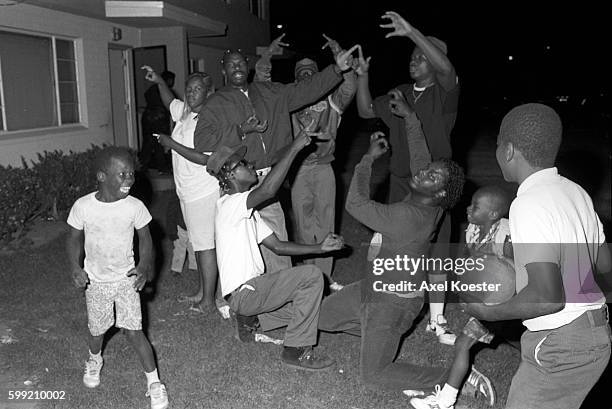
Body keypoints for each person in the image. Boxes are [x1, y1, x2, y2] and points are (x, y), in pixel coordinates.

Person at [463, 103, 612, 409]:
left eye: (496, 145)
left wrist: (487, 311)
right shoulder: (575, 192)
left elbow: (547, 297)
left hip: (561, 342)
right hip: (596, 332)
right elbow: (604, 263)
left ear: (508, 151)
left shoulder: (528, 203)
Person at [318, 101, 468, 392]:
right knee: (321, 315)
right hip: (372, 288)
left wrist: (367, 159)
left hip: (391, 304)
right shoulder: (430, 204)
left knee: (373, 375)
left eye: (432, 176)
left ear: (438, 193)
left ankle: (453, 377)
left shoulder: (408, 217)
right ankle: (373, 335)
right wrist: (411, 118)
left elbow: (356, 204)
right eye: (428, 170)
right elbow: (422, 160)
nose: (424, 173)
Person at [193, 44, 357, 277]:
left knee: (278, 240)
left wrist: (335, 70)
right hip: (236, 185)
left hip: (268, 177)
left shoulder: (271, 92)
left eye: (240, 62)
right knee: (238, 247)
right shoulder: (216, 103)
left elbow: (306, 90)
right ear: (223, 71)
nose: (237, 67)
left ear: (248, 67)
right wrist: (241, 130)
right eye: (231, 65)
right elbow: (202, 140)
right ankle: (234, 297)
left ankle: (282, 295)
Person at [355, 11, 460, 345]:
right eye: (412, 56)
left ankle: (437, 317)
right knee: (394, 246)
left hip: (435, 184)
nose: (415, 60)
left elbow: (446, 69)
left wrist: (412, 32)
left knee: (438, 249)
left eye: (422, 56)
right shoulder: (400, 90)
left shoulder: (445, 94)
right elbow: (365, 110)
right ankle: (384, 302)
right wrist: (362, 76)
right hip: (403, 181)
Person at [207, 131, 344, 371]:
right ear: (229, 174)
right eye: (244, 164)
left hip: (250, 294)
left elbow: (278, 247)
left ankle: (250, 322)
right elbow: (269, 190)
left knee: (310, 312)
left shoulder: (247, 212)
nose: (251, 166)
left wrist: (320, 248)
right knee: (311, 276)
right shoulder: (230, 204)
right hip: (247, 292)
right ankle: (296, 351)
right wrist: (294, 148)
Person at [66, 146, 168, 409]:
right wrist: (75, 268)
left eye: (131, 174)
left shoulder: (134, 206)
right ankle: (94, 359)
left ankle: (154, 383)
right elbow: (74, 239)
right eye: (122, 175)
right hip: (96, 281)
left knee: (134, 331)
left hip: (125, 279)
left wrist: (145, 265)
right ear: (102, 176)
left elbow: (146, 239)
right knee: (97, 330)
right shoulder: (84, 206)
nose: (129, 180)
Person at [256, 34, 357, 291]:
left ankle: (325, 277)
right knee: (303, 224)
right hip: (298, 170)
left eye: (310, 71)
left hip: (324, 167)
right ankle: (310, 274)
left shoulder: (333, 100)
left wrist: (340, 56)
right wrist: (266, 56)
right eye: (300, 72)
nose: (305, 75)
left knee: (326, 221)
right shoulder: (288, 101)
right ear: (295, 76)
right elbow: (261, 89)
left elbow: (349, 87)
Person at [410, 185, 513, 409]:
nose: (468, 208)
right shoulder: (473, 230)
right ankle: (448, 398)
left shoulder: (507, 237)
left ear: (493, 214)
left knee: (469, 343)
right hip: (488, 305)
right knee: (463, 343)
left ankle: (447, 399)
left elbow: (515, 275)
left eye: (475, 206)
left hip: (506, 306)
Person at [144, 67, 226, 317]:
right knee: (200, 244)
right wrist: (159, 80)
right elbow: (170, 101)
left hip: (203, 191)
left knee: (205, 246)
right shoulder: (187, 113)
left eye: (197, 89)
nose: (191, 94)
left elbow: (205, 159)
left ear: (209, 92)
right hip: (187, 191)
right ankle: (203, 292)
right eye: (188, 89)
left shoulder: (210, 119)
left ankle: (209, 301)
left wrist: (171, 144)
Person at [140, 70, 175, 172]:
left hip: (148, 118)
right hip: (158, 119)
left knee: (148, 143)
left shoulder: (152, 90)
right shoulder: (165, 91)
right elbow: (171, 104)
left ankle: (143, 166)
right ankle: (161, 166)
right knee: (158, 143)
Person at [166, 190, 197, 275]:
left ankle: (194, 266)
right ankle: (176, 268)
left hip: (193, 227)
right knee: (179, 248)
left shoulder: (196, 195)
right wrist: (172, 231)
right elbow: (171, 214)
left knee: (193, 247)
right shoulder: (177, 198)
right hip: (180, 226)